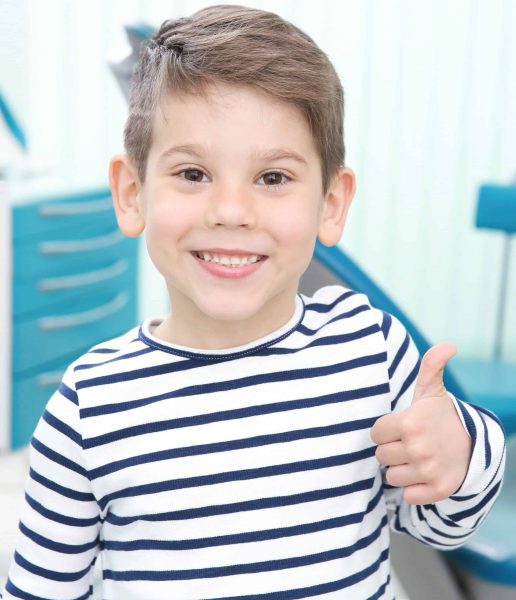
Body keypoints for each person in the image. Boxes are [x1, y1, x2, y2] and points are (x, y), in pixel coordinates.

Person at [1, 5, 506, 599]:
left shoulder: (366, 346)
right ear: (133, 194)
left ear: (331, 203)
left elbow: (444, 526)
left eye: (272, 178)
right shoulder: (90, 405)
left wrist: (460, 451)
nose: (232, 211)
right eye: (193, 173)